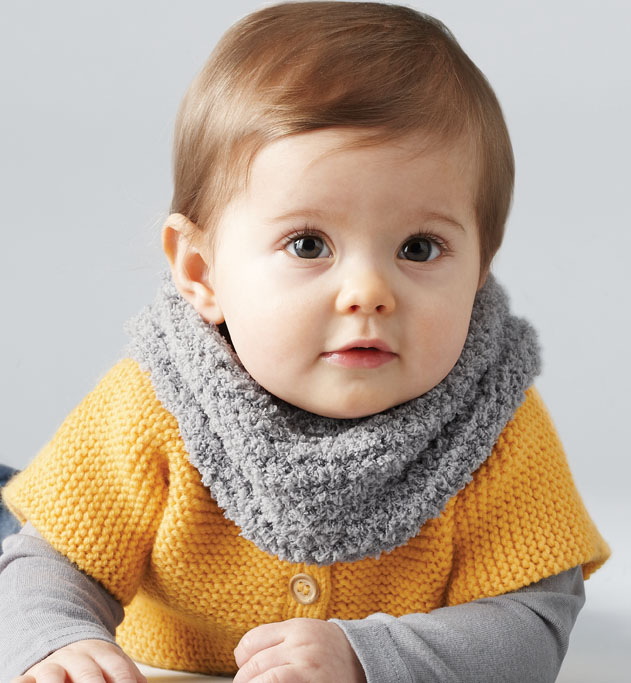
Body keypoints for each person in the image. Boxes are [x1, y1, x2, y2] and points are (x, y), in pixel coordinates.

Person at [0, 2, 610, 681]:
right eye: (308, 244)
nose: (368, 291)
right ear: (202, 272)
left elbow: (531, 623)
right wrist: (59, 638)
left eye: (418, 247)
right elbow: (51, 559)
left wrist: (365, 656)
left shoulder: (491, 424)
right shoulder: (159, 402)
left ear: (479, 270)